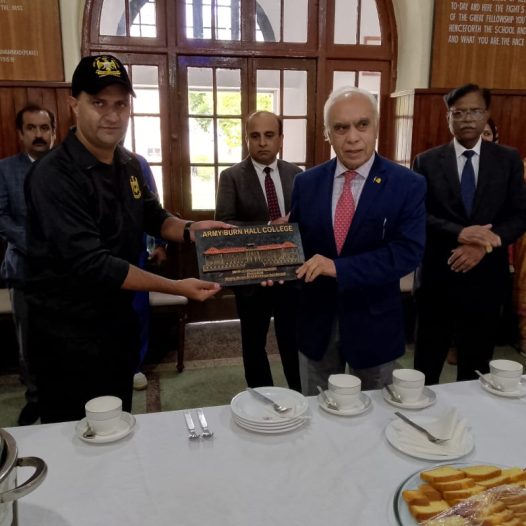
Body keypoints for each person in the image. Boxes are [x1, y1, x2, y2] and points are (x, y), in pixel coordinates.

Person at [24, 54, 229, 423]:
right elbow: (94, 264)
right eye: (99, 103)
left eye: (121, 104)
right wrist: (176, 286)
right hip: (67, 338)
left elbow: (155, 217)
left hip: (118, 329)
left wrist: (191, 229)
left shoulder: (129, 164)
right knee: (74, 437)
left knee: (119, 426)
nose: (112, 115)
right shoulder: (53, 175)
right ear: (74, 106)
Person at [289, 86, 426, 395]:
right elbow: (298, 247)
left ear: (376, 127)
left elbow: (407, 253)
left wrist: (338, 268)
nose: (352, 137)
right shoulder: (306, 183)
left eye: (362, 124)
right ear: (327, 133)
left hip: (375, 324)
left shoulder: (407, 184)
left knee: (378, 413)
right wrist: (273, 263)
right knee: (318, 407)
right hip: (317, 322)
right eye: (340, 128)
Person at [413, 83, 526, 385]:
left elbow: (519, 215)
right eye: (458, 112)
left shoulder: (508, 159)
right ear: (448, 117)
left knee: (475, 369)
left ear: (486, 115)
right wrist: (462, 233)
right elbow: (418, 215)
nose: (466, 119)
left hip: (485, 280)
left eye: (474, 111)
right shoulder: (426, 161)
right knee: (426, 367)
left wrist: (483, 246)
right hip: (438, 278)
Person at [215, 111, 302, 392]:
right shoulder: (231, 177)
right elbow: (225, 226)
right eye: (255, 136)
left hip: (290, 273)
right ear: (247, 140)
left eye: (269, 135)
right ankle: (261, 398)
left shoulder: (297, 175)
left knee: (293, 340)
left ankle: (299, 394)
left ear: (280, 139)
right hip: (251, 276)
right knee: (254, 343)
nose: (262, 142)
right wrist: (268, 227)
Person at [0, 104, 56, 425]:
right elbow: (1, 217)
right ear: (20, 134)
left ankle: (60, 395)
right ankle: (34, 397)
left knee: (62, 337)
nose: (39, 134)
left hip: (65, 271)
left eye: (44, 128)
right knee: (29, 341)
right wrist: (35, 246)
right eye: (31, 128)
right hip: (23, 269)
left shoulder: (65, 169)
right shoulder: (5, 170)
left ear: (53, 132)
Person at [131, 153, 167, 391]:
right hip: (90, 260)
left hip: (134, 253)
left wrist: (160, 243)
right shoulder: (62, 166)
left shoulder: (136, 164)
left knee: (138, 311)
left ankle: (135, 366)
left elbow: (153, 211)